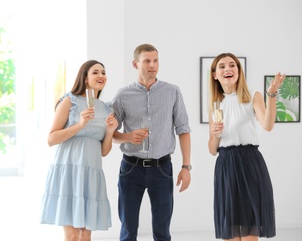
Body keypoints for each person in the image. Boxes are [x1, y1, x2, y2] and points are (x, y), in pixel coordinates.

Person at [112, 43, 192, 241]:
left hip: (162, 169)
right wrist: (128, 137)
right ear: (135, 64)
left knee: (162, 232)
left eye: (155, 60)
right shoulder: (123, 95)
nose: (152, 65)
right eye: (147, 61)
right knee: (128, 231)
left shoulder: (173, 92)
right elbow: (110, 133)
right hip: (131, 169)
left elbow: (183, 129)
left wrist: (186, 166)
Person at [208, 53, 286, 241]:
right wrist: (215, 134)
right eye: (222, 66)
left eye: (232, 65)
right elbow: (212, 150)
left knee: (250, 230)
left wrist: (272, 95)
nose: (228, 69)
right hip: (226, 166)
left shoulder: (253, 96)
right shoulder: (215, 105)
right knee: (231, 233)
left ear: (238, 71)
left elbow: (267, 125)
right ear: (215, 75)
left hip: (250, 163)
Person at [40, 60, 118, 241]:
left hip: (91, 173)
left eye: (103, 72)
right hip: (69, 170)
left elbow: (104, 151)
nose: (101, 76)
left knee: (86, 233)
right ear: (84, 78)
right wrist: (80, 125)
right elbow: (51, 139)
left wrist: (110, 132)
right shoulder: (69, 101)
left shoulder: (106, 109)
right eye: (95, 72)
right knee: (73, 234)